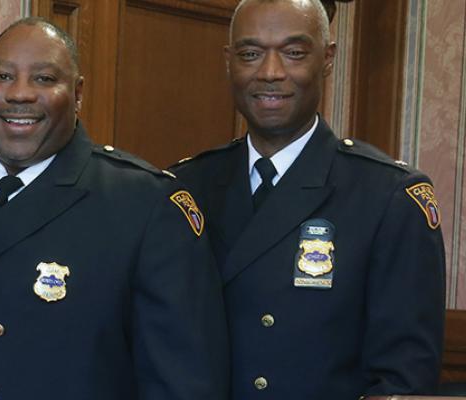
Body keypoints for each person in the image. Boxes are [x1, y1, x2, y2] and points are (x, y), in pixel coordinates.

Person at [0, 18, 229, 399]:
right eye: (3, 76)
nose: (19, 94)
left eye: (43, 79)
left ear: (78, 92)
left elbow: (182, 385)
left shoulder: (145, 206)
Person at [170, 0, 446, 397]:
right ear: (229, 62)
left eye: (294, 53)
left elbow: (402, 377)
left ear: (327, 58)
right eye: (250, 54)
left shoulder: (387, 196)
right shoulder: (185, 187)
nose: (270, 73)